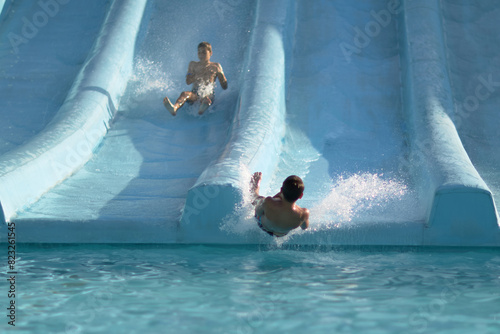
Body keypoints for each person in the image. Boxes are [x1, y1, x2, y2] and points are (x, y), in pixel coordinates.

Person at [163, 42, 228, 116]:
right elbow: (188, 81)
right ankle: (174, 108)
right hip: (195, 94)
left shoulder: (216, 66)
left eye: (204, 52)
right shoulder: (193, 65)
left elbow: (224, 86)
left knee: (206, 97)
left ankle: (203, 107)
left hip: (208, 94)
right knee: (185, 94)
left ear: (210, 53)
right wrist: (196, 76)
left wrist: (220, 74)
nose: (201, 55)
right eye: (199, 52)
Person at [250, 172, 310, 237]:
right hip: (281, 234)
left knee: (259, 199)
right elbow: (304, 227)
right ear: (301, 196)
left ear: (281, 190)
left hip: (263, 227)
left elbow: (257, 213)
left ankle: (255, 189)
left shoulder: (268, 202)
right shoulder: (303, 213)